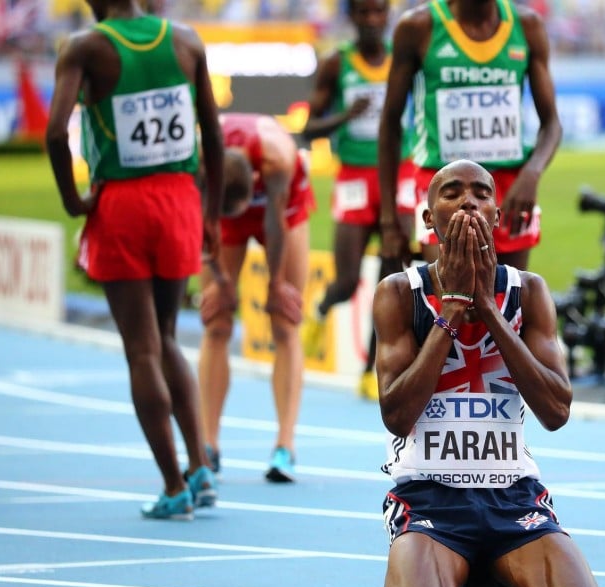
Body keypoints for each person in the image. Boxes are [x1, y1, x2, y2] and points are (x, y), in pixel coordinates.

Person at [372, 159, 605, 587]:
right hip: (431, 497)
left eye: (481, 193)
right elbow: (396, 414)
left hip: (513, 497)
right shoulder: (400, 293)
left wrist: (489, 310)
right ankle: (459, 580)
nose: (467, 201)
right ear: (428, 219)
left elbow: (556, 410)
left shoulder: (530, 291)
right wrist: (454, 311)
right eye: (452, 193)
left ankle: (485, 583)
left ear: (496, 214)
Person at [45, 0, 222, 519]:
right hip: (180, 200)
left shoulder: (86, 46)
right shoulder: (186, 40)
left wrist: (72, 201)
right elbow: (212, 131)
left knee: (142, 349)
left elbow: (56, 132)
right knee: (166, 335)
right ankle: (200, 466)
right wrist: (210, 214)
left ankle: (173, 486)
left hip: (120, 200)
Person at [377, 0, 562, 272]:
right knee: (450, 297)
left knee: (509, 299)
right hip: (440, 184)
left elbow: (552, 124)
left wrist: (532, 173)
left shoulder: (527, 27)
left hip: (509, 189)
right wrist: (389, 221)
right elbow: (390, 124)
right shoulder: (418, 27)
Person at [300, 0, 417, 401]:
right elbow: (308, 129)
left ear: (388, 16)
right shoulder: (336, 63)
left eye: (378, 12)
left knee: (392, 277)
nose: (371, 21)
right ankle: (320, 309)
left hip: (398, 174)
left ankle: (371, 370)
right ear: (351, 17)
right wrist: (345, 116)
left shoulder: (406, 57)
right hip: (353, 176)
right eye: (363, 13)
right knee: (348, 281)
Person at [197, 112, 313, 483]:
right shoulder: (198, 162)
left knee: (285, 318)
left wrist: (275, 284)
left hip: (282, 209)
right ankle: (208, 444)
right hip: (223, 214)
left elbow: (274, 224)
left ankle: (285, 446)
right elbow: (199, 228)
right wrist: (220, 280)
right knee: (215, 320)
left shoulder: (276, 159)